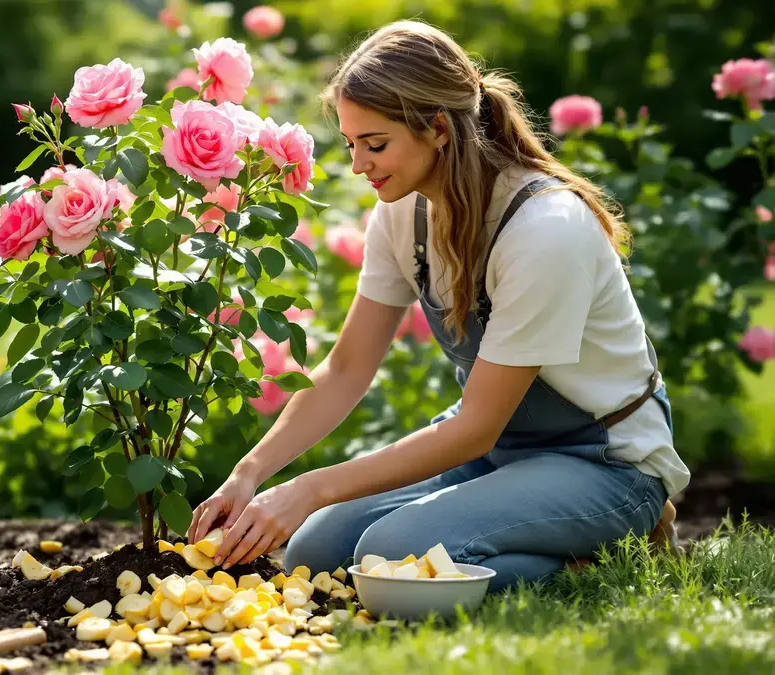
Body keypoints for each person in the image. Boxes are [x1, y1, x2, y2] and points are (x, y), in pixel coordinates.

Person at [186, 20, 689, 593]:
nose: (358, 165)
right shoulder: (403, 213)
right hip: (504, 452)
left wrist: (312, 487)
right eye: (352, 144)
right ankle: (539, 539)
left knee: (393, 559)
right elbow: (348, 369)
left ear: (439, 129)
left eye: (375, 145)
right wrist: (249, 473)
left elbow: (474, 427)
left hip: (605, 462)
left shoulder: (546, 229)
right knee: (317, 549)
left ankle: (608, 556)